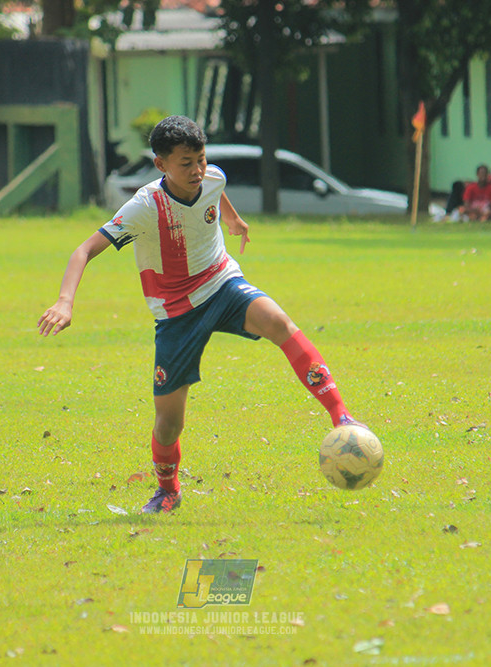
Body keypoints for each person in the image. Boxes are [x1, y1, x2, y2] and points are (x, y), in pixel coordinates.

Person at [37, 115, 364, 514]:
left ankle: (341, 416)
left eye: (201, 160)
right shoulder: (145, 206)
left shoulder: (212, 177)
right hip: (176, 314)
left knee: (281, 323)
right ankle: (168, 488)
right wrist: (65, 301)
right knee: (169, 423)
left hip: (222, 282)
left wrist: (231, 217)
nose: (197, 171)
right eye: (185, 163)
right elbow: (83, 250)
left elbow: (215, 189)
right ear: (161, 165)